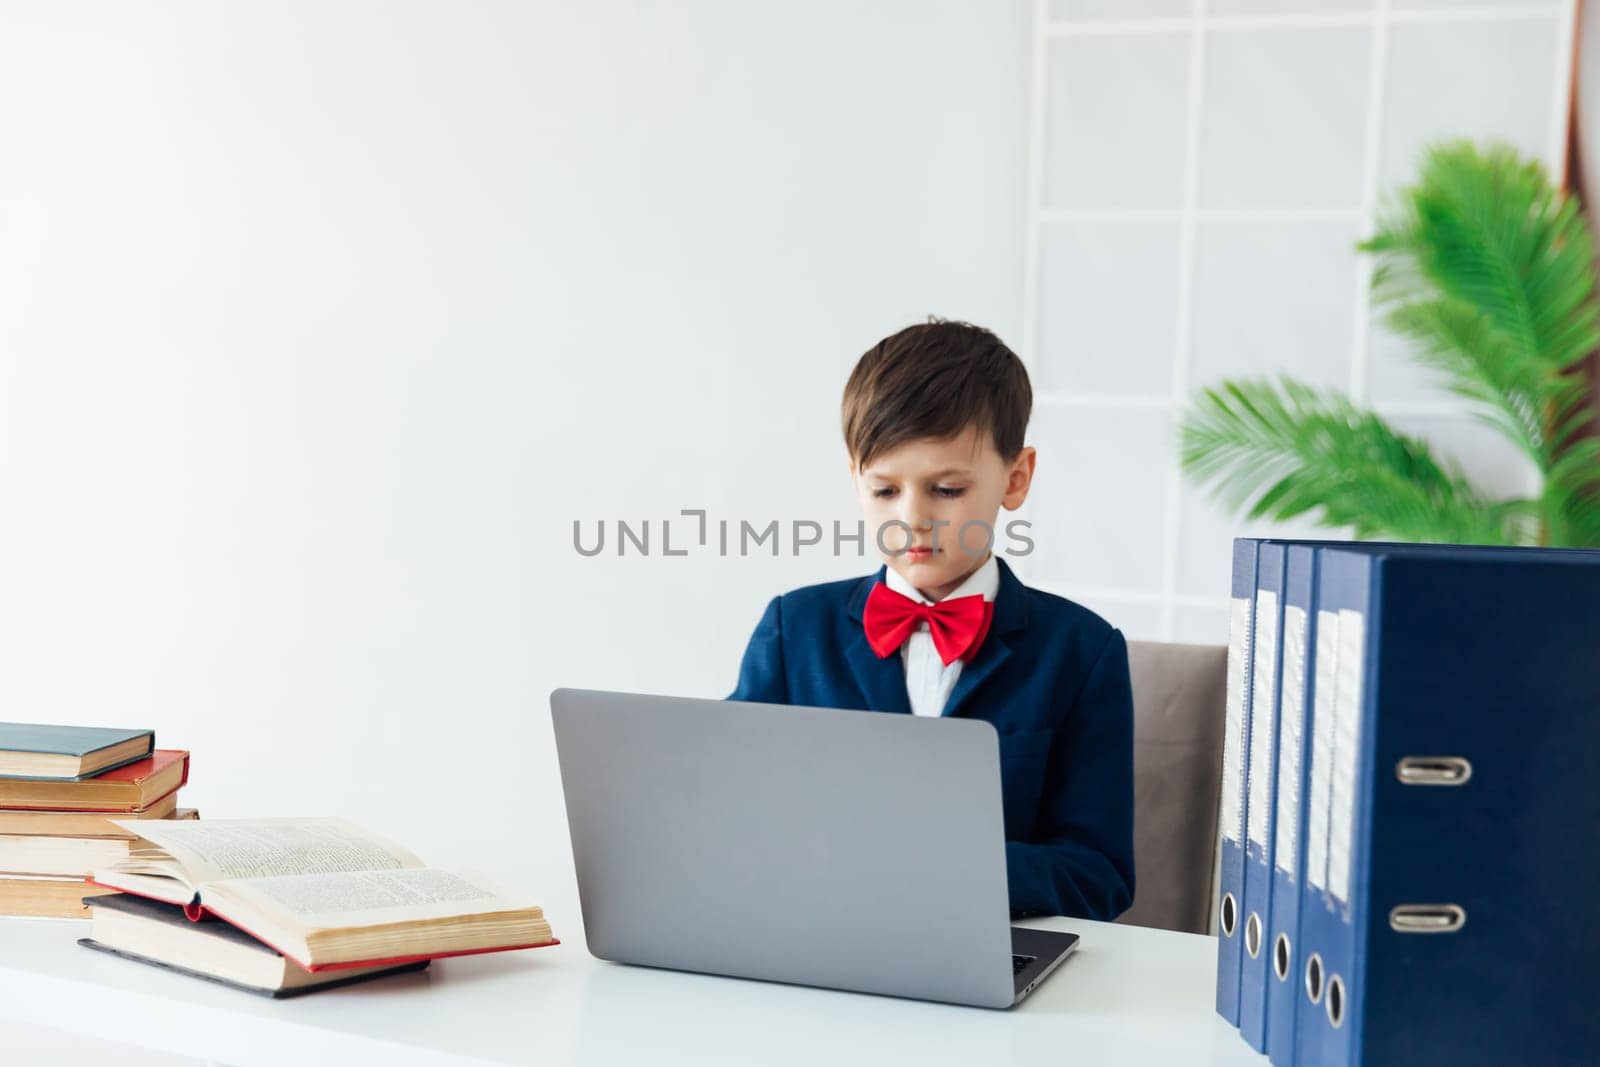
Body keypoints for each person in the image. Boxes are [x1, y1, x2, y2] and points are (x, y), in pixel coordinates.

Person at [727, 317, 1135, 921]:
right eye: (885, 491)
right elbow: (730, 812)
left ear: (1016, 479)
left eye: (946, 490)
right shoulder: (794, 629)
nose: (912, 519)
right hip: (814, 943)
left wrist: (946, 870)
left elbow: (1098, 875)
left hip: (989, 953)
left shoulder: (1083, 650)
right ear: (854, 481)